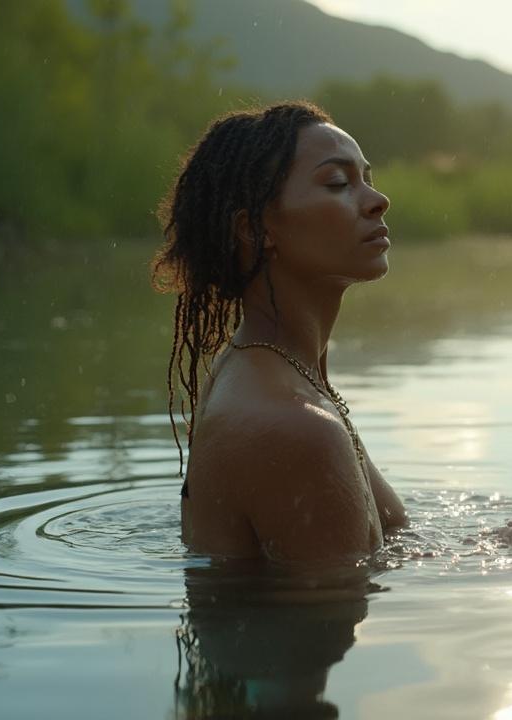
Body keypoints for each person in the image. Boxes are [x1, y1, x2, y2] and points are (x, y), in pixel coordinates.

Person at [153, 102, 407, 566]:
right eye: (338, 183)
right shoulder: (294, 425)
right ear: (256, 228)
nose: (376, 199)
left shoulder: (276, 372)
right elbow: (327, 615)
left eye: (366, 178)